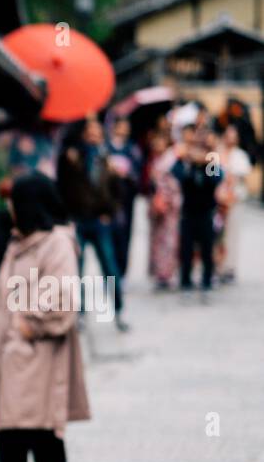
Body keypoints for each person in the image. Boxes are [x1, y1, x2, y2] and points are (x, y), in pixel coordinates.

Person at [0, 173, 91, 462]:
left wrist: (25, 325)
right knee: (10, 434)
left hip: (40, 357)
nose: (7, 207)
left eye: (13, 200)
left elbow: (62, 299)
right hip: (8, 357)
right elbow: (0, 290)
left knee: (45, 434)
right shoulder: (16, 243)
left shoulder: (56, 243)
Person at [58, 117, 127, 331]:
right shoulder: (71, 156)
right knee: (76, 269)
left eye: (97, 131)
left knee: (110, 267)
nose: (94, 135)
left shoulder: (106, 159)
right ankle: (79, 312)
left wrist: (110, 211)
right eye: (90, 131)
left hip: (99, 220)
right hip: (78, 219)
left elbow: (117, 190)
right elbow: (63, 186)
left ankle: (117, 310)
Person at [171, 131, 222, 291]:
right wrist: (184, 158)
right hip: (188, 214)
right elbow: (175, 173)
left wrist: (207, 160)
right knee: (186, 249)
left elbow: (215, 179)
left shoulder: (210, 166)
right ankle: (185, 279)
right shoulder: (186, 166)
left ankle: (207, 278)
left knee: (207, 249)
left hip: (206, 214)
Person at [105, 116, 143, 279]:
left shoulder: (131, 148)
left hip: (126, 196)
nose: (124, 130)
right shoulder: (105, 148)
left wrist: (128, 174)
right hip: (109, 197)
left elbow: (138, 171)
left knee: (125, 233)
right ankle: (110, 270)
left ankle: (122, 270)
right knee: (109, 233)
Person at [145, 131, 182, 290]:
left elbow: (176, 182)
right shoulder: (154, 160)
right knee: (157, 240)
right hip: (157, 204)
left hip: (170, 204)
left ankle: (167, 273)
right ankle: (159, 273)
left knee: (169, 241)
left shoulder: (173, 158)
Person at [215, 124, 252, 283]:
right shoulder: (216, 154)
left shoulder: (240, 156)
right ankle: (217, 265)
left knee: (232, 234)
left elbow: (242, 177)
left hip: (234, 199)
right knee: (217, 235)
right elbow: (212, 175)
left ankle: (229, 267)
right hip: (218, 199)